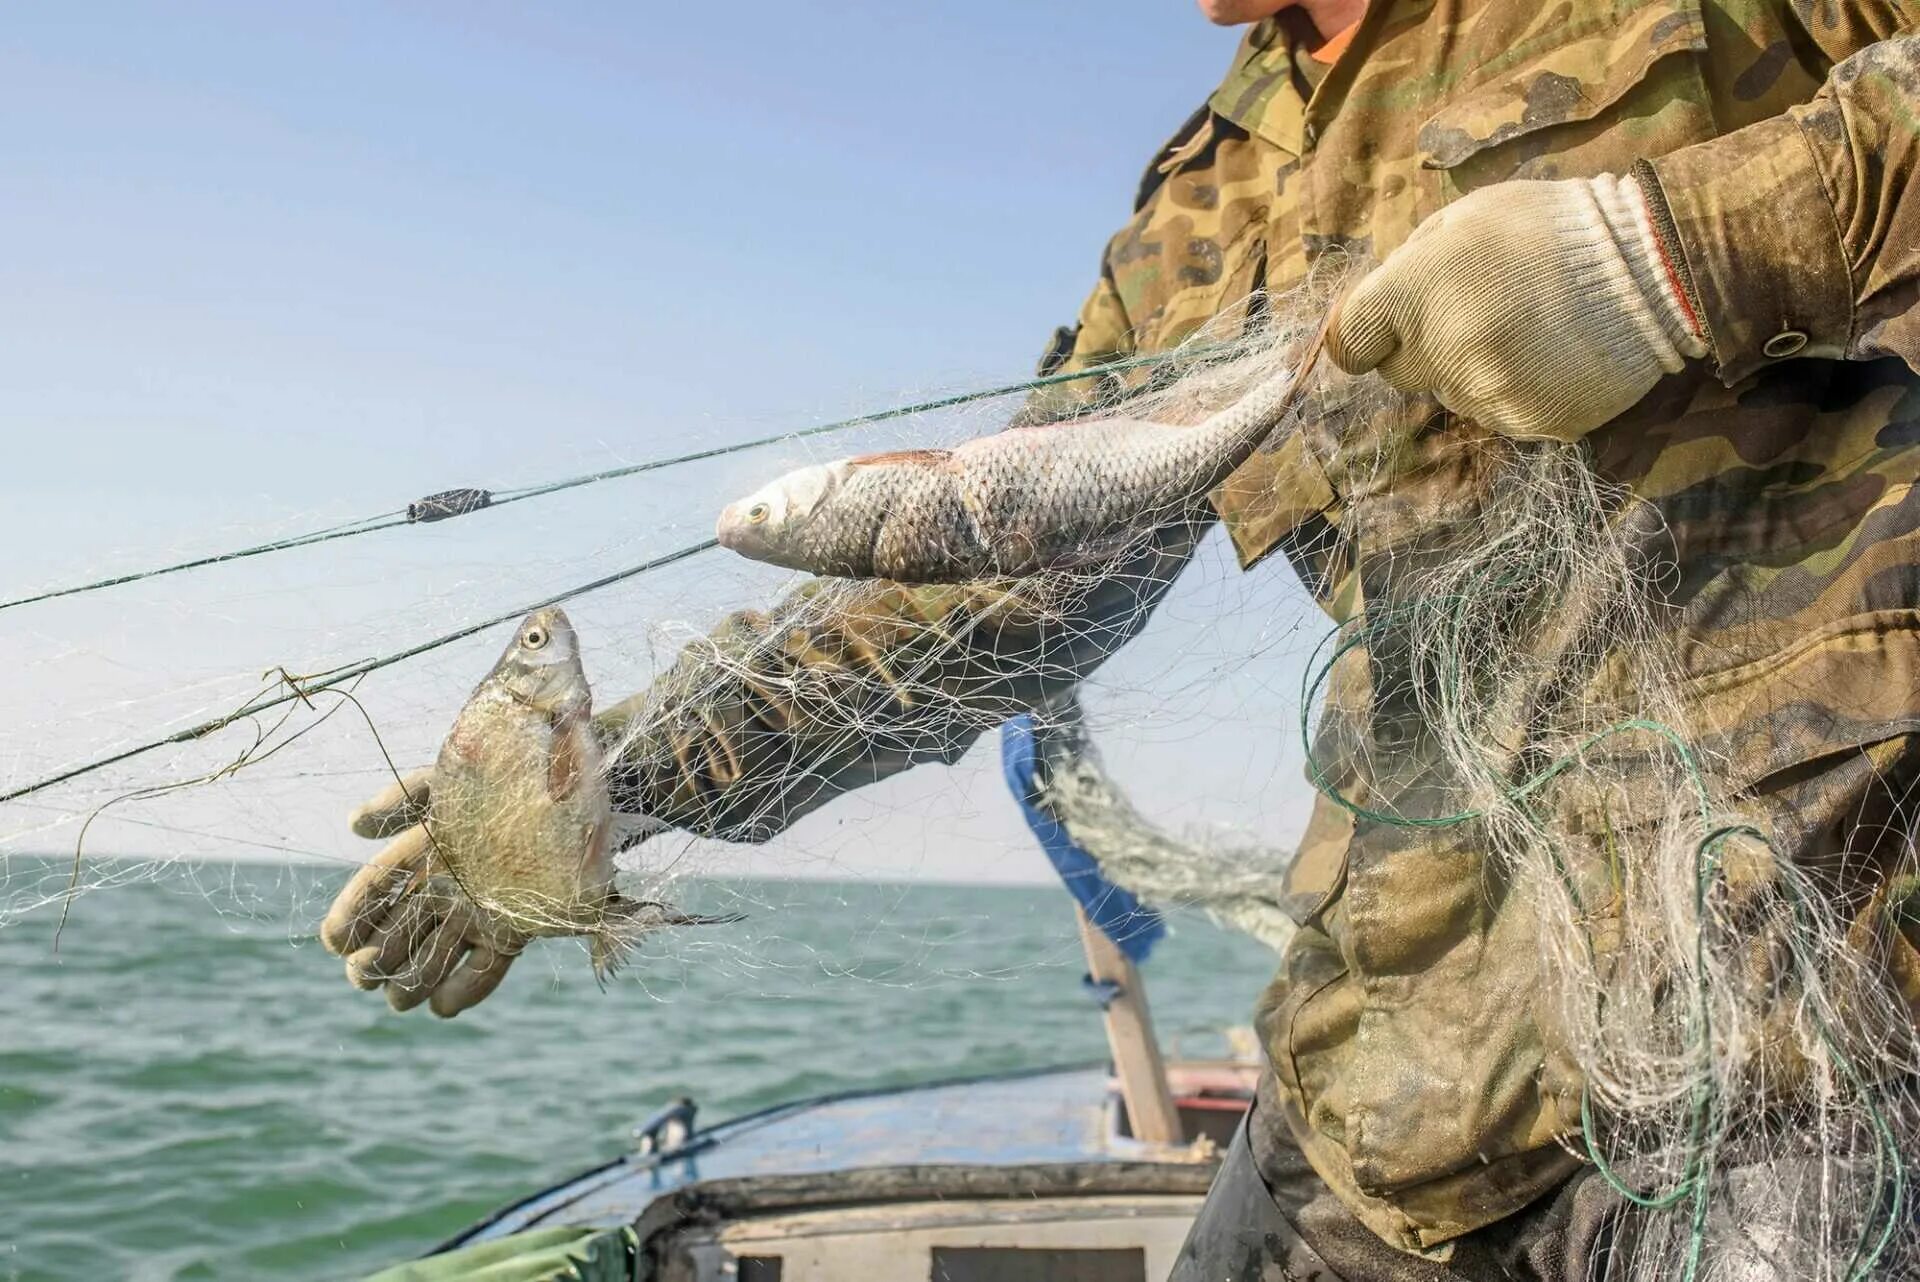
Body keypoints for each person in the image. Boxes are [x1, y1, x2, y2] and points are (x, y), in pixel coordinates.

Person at [322, 1, 1920, 1276]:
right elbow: (1005, 586)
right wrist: (618, 771)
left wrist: (1672, 251)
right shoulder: (1206, 193)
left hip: (1812, 1014)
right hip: (1399, 1054)